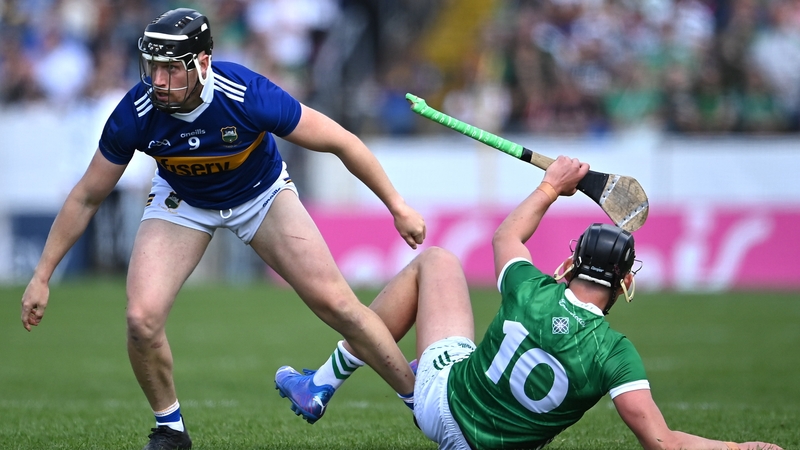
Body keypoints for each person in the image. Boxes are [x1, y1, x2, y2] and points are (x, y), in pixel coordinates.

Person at [19, 8, 425, 450]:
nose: (158, 80)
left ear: (203, 63)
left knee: (340, 306)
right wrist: (42, 275)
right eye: (153, 67)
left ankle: (420, 403)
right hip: (183, 202)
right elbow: (86, 196)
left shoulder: (247, 94)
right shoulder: (136, 111)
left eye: (172, 68)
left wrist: (397, 205)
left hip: (261, 195)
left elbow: (342, 141)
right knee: (141, 317)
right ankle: (170, 429)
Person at [275, 156, 783, 450]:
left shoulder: (531, 288)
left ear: (570, 263)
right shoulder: (616, 353)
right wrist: (738, 448)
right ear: (626, 281)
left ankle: (325, 382)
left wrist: (551, 186)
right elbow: (663, 443)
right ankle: (383, 386)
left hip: (442, 406)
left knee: (437, 263)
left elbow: (507, 236)